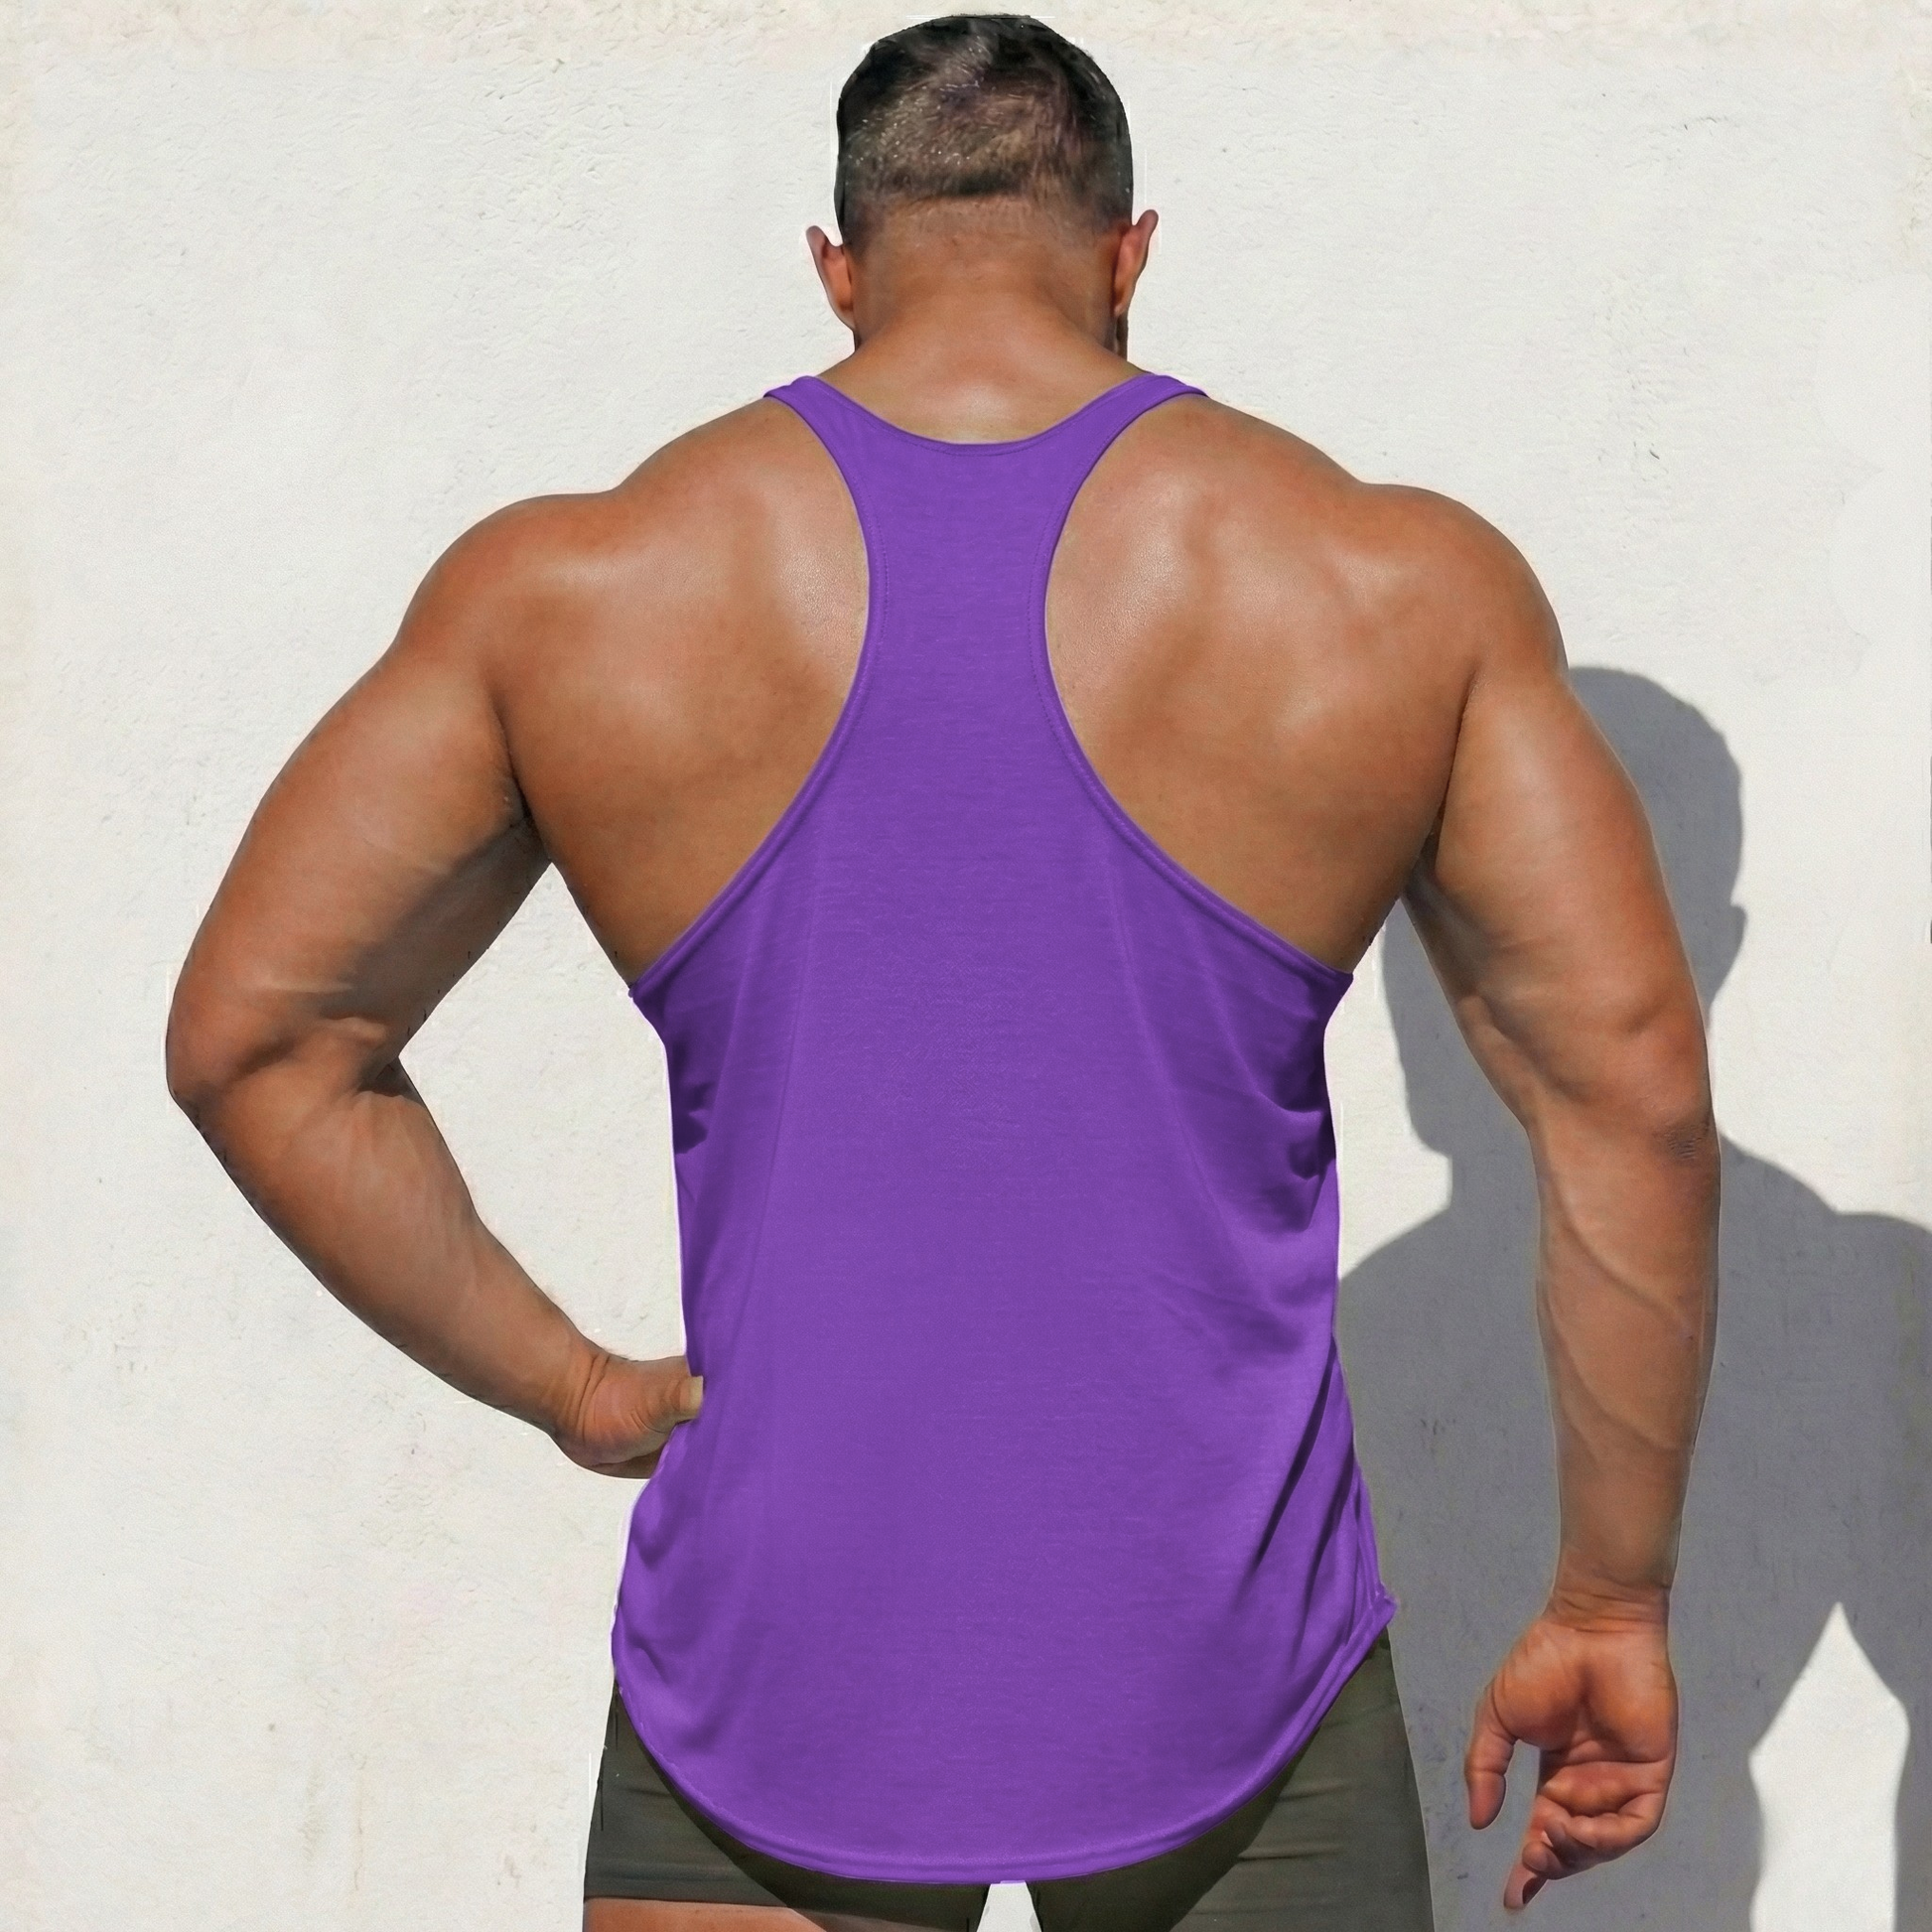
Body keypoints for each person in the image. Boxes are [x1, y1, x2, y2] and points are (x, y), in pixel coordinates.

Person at [164, 14, 1720, 1932]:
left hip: (774, 1663)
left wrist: (571, 1384)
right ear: (1129, 253)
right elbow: (1633, 1098)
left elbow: (256, 1039)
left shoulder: (569, 589)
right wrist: (1607, 1599)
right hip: (1228, 1664)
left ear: (839, 266)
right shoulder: (1392, 583)